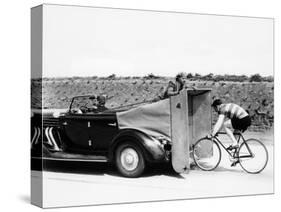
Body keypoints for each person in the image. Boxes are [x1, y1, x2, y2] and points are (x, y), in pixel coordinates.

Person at [209, 99, 252, 166]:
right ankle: (236, 158)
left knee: (226, 125)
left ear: (217, 106)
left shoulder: (222, 109)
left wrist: (212, 134)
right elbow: (220, 123)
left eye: (214, 108)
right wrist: (217, 131)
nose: (214, 110)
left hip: (243, 119)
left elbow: (219, 122)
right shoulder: (226, 107)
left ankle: (235, 143)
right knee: (234, 137)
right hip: (245, 119)